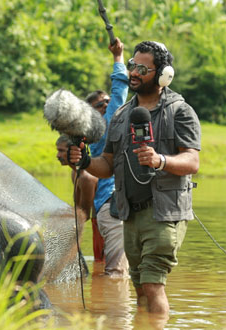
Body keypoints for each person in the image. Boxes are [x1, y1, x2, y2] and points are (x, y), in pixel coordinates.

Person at [70, 41, 201, 315]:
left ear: (164, 74)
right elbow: (107, 165)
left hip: (164, 212)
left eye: (143, 68)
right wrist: (84, 161)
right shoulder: (120, 115)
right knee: (139, 287)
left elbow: (192, 160)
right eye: (132, 65)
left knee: (153, 285)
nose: (134, 72)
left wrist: (160, 160)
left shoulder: (180, 111)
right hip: (129, 213)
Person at [84, 37, 129, 277]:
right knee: (117, 275)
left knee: (109, 270)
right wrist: (118, 57)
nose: (108, 105)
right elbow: (120, 89)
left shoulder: (96, 131)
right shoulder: (103, 127)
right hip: (111, 205)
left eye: (108, 103)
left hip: (108, 206)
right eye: (102, 105)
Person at [55, 135, 102, 271]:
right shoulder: (75, 173)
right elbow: (77, 208)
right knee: (99, 263)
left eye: (62, 151)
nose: (58, 155)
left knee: (104, 265)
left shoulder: (86, 177)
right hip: (96, 224)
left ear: (74, 151)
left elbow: (84, 215)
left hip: (101, 225)